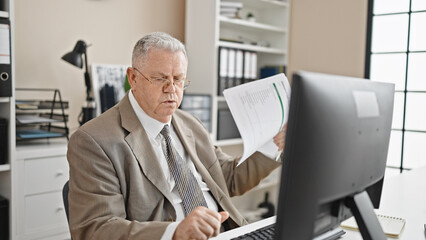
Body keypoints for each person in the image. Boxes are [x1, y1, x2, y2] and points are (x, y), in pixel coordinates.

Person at [67, 32, 286, 240]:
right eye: (160, 78)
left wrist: (276, 144)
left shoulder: (191, 124)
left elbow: (227, 179)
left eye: (179, 79)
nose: (171, 89)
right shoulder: (93, 140)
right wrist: (175, 232)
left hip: (226, 232)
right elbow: (96, 229)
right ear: (133, 78)